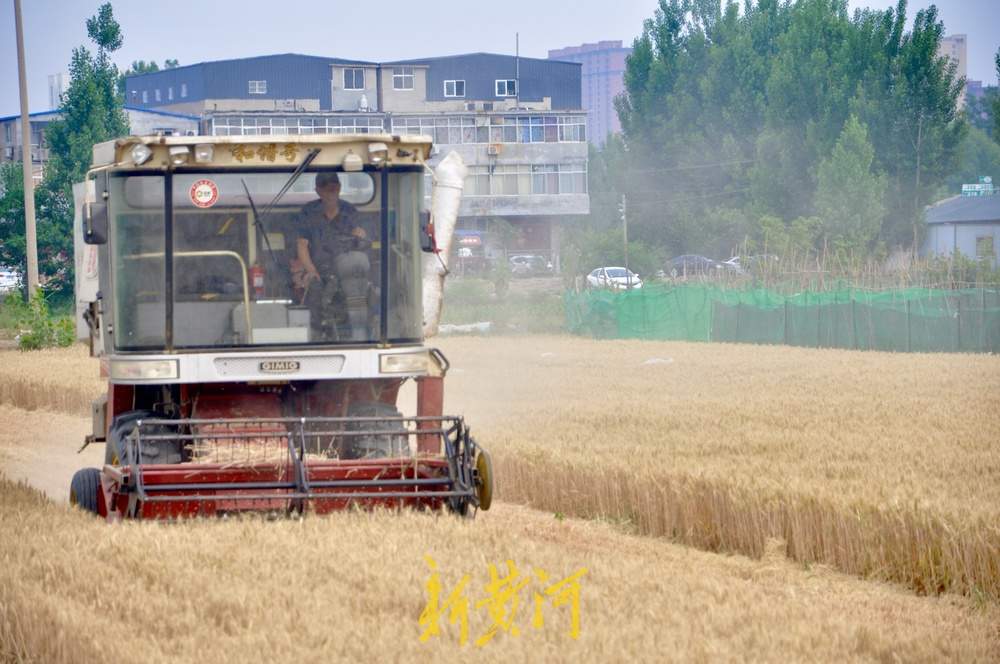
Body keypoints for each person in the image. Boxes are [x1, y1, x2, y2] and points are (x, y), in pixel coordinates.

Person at [294, 172, 374, 340]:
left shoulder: (349, 211)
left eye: (334, 188)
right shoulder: (308, 212)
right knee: (314, 292)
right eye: (327, 189)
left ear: (339, 188)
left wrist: (361, 235)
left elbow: (362, 241)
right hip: (318, 270)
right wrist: (311, 271)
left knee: (362, 290)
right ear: (318, 191)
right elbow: (302, 245)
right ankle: (315, 337)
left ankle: (360, 336)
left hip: (347, 271)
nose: (331, 192)